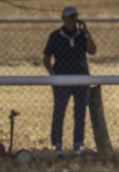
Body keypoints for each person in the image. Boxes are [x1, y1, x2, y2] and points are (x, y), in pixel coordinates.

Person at [42, 6, 96, 158]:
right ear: (64, 19)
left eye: (75, 17)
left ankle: (77, 145)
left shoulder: (81, 36)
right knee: (59, 112)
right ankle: (57, 145)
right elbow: (46, 59)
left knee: (80, 113)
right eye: (70, 18)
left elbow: (92, 50)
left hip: (81, 79)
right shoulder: (55, 36)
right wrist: (54, 78)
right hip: (62, 80)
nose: (73, 21)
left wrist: (86, 32)